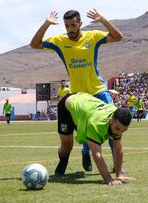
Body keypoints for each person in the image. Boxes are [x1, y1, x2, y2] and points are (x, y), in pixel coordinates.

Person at [30, 9, 124, 172]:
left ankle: (118, 166)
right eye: (67, 26)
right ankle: (85, 152)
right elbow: (34, 44)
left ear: (80, 23)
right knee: (87, 130)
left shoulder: (92, 37)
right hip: (80, 97)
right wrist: (46, 24)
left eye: (73, 25)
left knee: (113, 124)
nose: (70, 29)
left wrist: (102, 20)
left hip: (99, 91)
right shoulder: (59, 41)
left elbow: (118, 37)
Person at [55, 92, 135, 185]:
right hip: (67, 106)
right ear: (111, 121)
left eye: (123, 131)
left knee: (88, 135)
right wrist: (108, 179)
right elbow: (96, 155)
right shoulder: (95, 124)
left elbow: (118, 149)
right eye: (117, 129)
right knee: (67, 146)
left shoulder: (118, 118)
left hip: (85, 107)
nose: (118, 133)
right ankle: (62, 164)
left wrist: (119, 175)